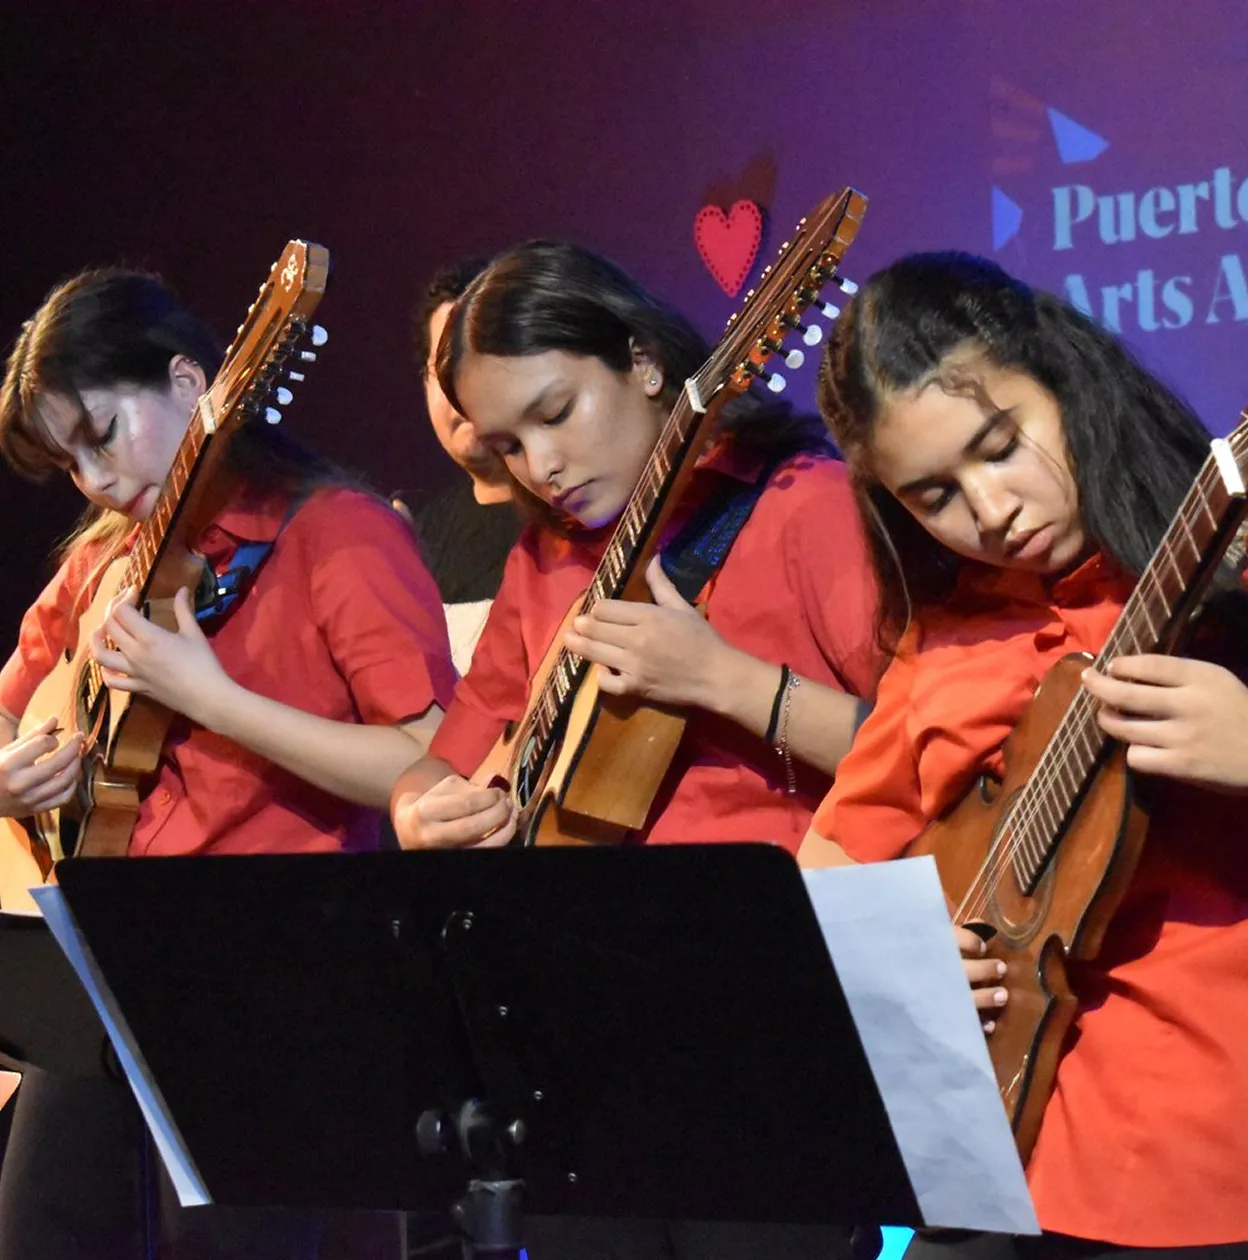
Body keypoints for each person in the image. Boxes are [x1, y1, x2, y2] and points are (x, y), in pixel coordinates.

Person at [388, 239, 879, 1260]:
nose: (543, 466)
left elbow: (933, 760)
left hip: (767, 1018)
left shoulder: (805, 505)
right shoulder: (549, 553)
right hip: (583, 1029)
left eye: (556, 414)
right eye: (509, 446)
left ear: (646, 362)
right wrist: (422, 811)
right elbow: (448, 757)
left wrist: (728, 684)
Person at [0, 266, 457, 1259]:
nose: (101, 482)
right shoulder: (101, 564)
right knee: (44, 1232)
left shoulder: (338, 532)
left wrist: (217, 704)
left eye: (103, 434)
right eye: (70, 462)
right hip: (103, 956)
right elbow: (7, 710)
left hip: (276, 969)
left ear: (185, 380)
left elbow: (433, 764)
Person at [803, 251, 1248, 1258]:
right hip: (998, 1158)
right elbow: (826, 873)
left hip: (1204, 1152)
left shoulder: (1227, 565)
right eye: (934, 495)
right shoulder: (938, 643)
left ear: (1065, 378)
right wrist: (900, 959)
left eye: (1001, 446)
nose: (990, 509)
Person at [401, 256, 523, 675]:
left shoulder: (580, 512)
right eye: (444, 370)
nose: (460, 392)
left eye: (477, 363)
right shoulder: (416, 537)